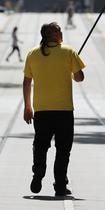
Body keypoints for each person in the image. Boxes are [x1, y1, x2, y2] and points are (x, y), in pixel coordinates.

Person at [23, 22, 85, 196]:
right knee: (63, 149)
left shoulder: (33, 54)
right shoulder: (69, 52)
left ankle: (38, 172)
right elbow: (79, 78)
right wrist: (75, 68)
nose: (61, 33)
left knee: (40, 145)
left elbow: (27, 81)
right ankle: (59, 185)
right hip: (64, 110)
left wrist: (27, 106)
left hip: (42, 110)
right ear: (55, 35)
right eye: (59, 31)